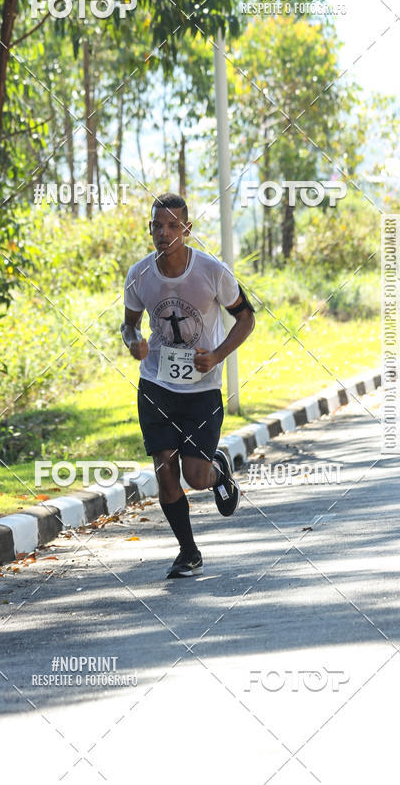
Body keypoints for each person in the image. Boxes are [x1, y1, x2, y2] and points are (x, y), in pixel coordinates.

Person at [121, 193, 255, 578]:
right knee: (165, 472)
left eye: (172, 226)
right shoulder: (140, 274)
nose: (164, 234)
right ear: (150, 229)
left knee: (195, 478)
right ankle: (188, 552)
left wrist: (217, 356)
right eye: (157, 226)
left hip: (202, 389)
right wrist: (134, 343)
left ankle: (218, 469)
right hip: (156, 386)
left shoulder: (212, 271)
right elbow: (129, 323)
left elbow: (246, 317)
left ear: (187, 230)